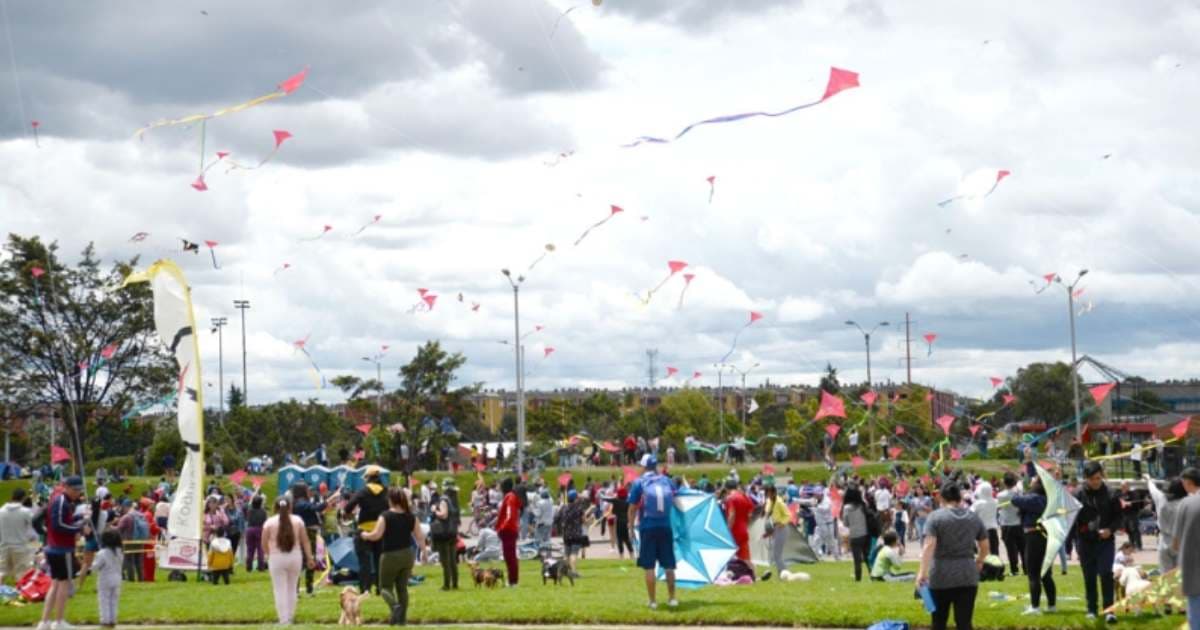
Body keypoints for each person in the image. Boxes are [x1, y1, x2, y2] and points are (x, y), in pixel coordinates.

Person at [916, 481, 988, 630]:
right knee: (964, 622)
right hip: (967, 573)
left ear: (941, 498)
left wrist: (922, 573)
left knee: (939, 622)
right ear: (960, 498)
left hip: (941, 574)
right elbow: (985, 545)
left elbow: (929, 546)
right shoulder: (973, 517)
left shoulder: (935, 517)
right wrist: (980, 561)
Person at [361, 487, 425, 625]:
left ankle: (394, 606)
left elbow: (376, 535)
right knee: (402, 588)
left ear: (391, 500)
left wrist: (365, 535)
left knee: (384, 587)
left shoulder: (385, 516)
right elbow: (420, 536)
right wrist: (424, 553)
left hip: (390, 555)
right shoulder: (411, 516)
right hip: (408, 555)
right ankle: (402, 621)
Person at [38, 476, 91, 630]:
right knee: (64, 584)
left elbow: (63, 521)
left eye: (79, 490)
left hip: (54, 548)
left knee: (55, 584)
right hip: (62, 548)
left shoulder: (60, 500)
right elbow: (58, 525)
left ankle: (45, 621)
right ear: (66, 487)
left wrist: (78, 518)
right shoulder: (61, 501)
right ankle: (59, 621)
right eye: (75, 490)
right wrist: (79, 528)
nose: (77, 493)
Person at [627, 455, 677, 610]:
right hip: (665, 526)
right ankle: (672, 598)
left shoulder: (639, 483)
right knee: (669, 565)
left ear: (644, 467)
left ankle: (653, 601)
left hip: (648, 526)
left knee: (649, 566)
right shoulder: (666, 480)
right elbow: (677, 497)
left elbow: (632, 508)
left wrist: (630, 526)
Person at [1075, 461, 1120, 623]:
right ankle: (1091, 609)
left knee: (1106, 574)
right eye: (1092, 479)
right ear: (1086, 478)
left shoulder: (1111, 493)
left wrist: (1110, 529)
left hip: (1106, 542)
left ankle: (1109, 610)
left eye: (1098, 478)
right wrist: (1086, 529)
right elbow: (1074, 520)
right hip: (1085, 542)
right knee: (1089, 576)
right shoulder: (1078, 495)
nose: (1096, 482)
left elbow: (1119, 517)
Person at [263, 497, 315, 625]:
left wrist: (268, 554)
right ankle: (290, 617)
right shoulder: (298, 521)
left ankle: (283, 619)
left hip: (276, 557)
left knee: (279, 589)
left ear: (275, 507)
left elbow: (264, 543)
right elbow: (305, 541)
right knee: (292, 588)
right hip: (295, 556)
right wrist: (309, 557)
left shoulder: (269, 522)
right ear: (290, 507)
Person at [1011, 475, 1056, 615]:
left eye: (1033, 481)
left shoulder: (1034, 498)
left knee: (1033, 574)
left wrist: (1018, 489)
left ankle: (1035, 607)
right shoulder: (1048, 498)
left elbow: (1015, 500)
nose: (1030, 482)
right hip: (1045, 536)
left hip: (1034, 537)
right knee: (1046, 574)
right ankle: (1051, 606)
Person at [341, 465, 389, 594]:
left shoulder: (362, 491)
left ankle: (365, 589)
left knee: (364, 562)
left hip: (364, 532)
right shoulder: (386, 491)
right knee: (380, 561)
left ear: (368, 478)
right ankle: (380, 588)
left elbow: (348, 508)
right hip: (381, 530)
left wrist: (347, 513)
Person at [1171, 467, 1200, 630]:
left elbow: (1176, 542)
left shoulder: (1185, 504)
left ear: (1188, 483)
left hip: (1192, 569)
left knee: (1195, 618)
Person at [291, 482, 326, 596]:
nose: (309, 491)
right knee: (307, 559)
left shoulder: (300, 502)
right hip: (307, 533)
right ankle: (304, 589)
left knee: (307, 560)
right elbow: (316, 508)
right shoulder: (301, 503)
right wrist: (329, 501)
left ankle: (305, 588)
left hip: (308, 533)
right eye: (307, 489)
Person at [1146, 474, 1186, 572]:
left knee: (1165, 576)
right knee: (1181, 575)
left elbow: (1153, 489)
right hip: (1181, 541)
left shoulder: (1161, 498)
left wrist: (1148, 479)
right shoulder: (1186, 503)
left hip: (1164, 540)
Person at [0, 488, 35, 585]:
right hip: (20, 545)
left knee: (2, 571)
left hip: (4, 545)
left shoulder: (1, 511)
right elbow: (33, 524)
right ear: (23, 498)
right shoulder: (25, 511)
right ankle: (21, 594)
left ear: (12, 497)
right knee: (21, 572)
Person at [430, 478, 460, 590]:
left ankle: (446, 585)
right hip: (453, 532)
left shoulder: (443, 500)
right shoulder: (454, 500)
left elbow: (443, 515)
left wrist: (434, 510)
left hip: (444, 533)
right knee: (453, 560)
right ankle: (455, 583)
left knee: (445, 561)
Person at [91, 529, 123, 629]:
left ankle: (105, 620)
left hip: (105, 579)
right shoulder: (120, 552)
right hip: (117, 578)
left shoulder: (102, 553)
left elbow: (95, 567)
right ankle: (113, 620)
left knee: (104, 600)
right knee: (114, 601)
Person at [555, 489, 592, 574]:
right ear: (575, 499)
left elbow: (557, 518)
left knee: (566, 554)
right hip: (576, 534)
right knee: (574, 553)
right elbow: (584, 521)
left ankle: (564, 571)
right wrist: (591, 519)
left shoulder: (563, 507)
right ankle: (573, 572)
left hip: (566, 534)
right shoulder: (579, 508)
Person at [996, 472, 1024, 577]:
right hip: (1019, 522)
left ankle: (1014, 569)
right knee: (1023, 548)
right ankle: (1026, 568)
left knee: (1011, 549)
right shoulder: (1018, 493)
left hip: (1006, 524)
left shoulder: (1000, 495)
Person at [842, 486, 871, 582]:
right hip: (865, 534)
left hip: (854, 535)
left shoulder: (847, 508)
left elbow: (846, 523)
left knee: (857, 560)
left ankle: (858, 578)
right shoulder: (863, 505)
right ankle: (873, 574)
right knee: (867, 557)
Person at [496, 477, 521, 586]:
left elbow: (509, 515)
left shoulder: (509, 497)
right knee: (510, 556)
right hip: (510, 530)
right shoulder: (511, 496)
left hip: (508, 530)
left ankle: (513, 581)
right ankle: (512, 579)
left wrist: (502, 527)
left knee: (510, 557)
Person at [723, 480, 755, 562]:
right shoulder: (744, 497)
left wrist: (727, 529)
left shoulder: (730, 498)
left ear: (726, 488)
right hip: (744, 530)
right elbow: (750, 514)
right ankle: (753, 574)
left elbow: (732, 514)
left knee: (730, 557)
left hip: (734, 531)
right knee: (746, 558)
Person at [763, 484, 790, 577]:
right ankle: (781, 574)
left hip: (781, 529)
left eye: (770, 492)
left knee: (777, 554)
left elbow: (788, 515)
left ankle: (784, 573)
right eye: (767, 493)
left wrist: (781, 523)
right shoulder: (768, 501)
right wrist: (768, 530)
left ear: (774, 492)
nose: (768, 494)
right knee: (775, 555)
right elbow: (768, 515)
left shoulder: (779, 502)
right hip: (773, 529)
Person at [970, 481, 999, 562]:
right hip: (993, 529)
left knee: (983, 551)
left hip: (982, 531)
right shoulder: (995, 501)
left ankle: (985, 568)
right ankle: (997, 568)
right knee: (994, 550)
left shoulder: (978, 504)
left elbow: (969, 513)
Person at [244, 495, 268, 572]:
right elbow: (265, 521)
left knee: (250, 549)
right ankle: (261, 566)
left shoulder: (250, 510)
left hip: (250, 529)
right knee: (260, 549)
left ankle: (249, 566)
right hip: (260, 529)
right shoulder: (263, 511)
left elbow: (246, 506)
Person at [1118, 481, 1144, 552]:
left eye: (1124, 486)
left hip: (1132, 514)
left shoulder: (1133, 494)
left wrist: (1129, 504)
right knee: (1128, 530)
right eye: (1122, 486)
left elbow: (1137, 504)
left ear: (1128, 487)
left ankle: (1139, 545)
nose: (1123, 488)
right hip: (1124, 515)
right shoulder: (1120, 494)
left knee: (1134, 529)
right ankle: (1132, 545)